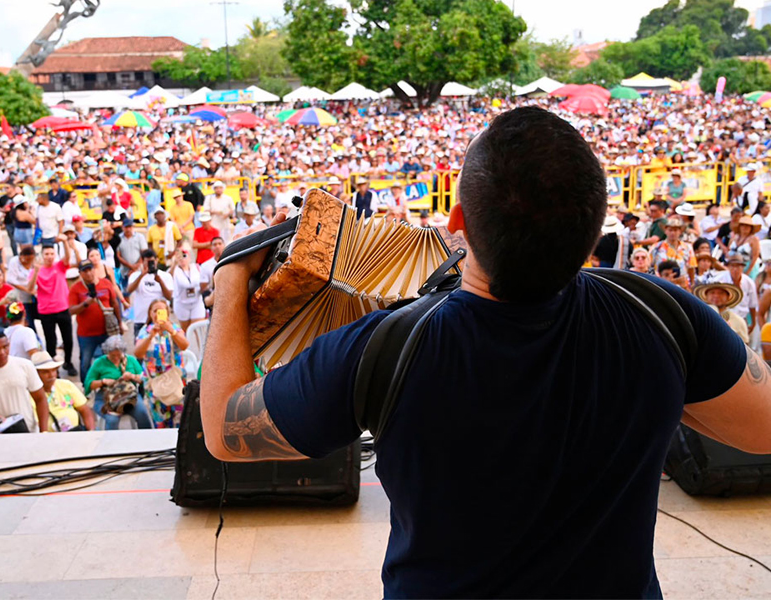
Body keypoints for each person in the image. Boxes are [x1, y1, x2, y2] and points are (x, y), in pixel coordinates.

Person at [202, 107, 771, 599]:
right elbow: (762, 430)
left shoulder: (385, 346)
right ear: (597, 229)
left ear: (458, 224)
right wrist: (659, 392)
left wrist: (231, 278)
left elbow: (225, 430)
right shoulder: (662, 315)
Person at [0, 331, 48, 433]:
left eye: (5, 346)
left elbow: (40, 399)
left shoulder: (25, 366)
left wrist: (43, 432)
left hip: (29, 433)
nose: (2, 352)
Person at [134, 298, 189, 428]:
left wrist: (171, 331)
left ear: (167, 313)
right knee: (159, 419)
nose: (158, 313)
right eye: (155, 311)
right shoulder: (145, 331)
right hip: (155, 382)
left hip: (175, 380)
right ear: (150, 313)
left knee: (178, 419)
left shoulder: (174, 329)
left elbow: (184, 345)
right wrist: (150, 336)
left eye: (162, 311)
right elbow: (138, 353)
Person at [27, 239, 77, 377]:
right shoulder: (37, 270)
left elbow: (67, 257)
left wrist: (65, 242)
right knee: (51, 341)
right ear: (42, 256)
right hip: (46, 311)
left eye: (51, 253)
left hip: (62, 307)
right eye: (46, 254)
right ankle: (52, 367)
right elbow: (30, 289)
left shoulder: (59, 266)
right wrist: (36, 272)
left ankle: (68, 362)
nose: (49, 256)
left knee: (68, 339)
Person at [69, 259, 121, 384]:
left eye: (90, 269)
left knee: (111, 358)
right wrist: (86, 303)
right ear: (80, 273)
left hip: (107, 331)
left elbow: (114, 304)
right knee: (85, 362)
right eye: (85, 271)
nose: (88, 273)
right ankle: (86, 386)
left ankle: (109, 383)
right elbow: (71, 310)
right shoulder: (76, 288)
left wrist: (119, 323)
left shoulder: (106, 283)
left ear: (94, 269)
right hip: (86, 334)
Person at [85, 335, 153, 430]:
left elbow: (143, 379)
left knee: (142, 413)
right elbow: (88, 384)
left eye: (119, 355)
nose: (116, 358)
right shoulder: (99, 362)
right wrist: (103, 381)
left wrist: (132, 376)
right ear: (107, 352)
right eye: (113, 356)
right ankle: (112, 443)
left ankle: (147, 440)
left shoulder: (131, 360)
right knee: (112, 420)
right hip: (106, 398)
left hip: (129, 397)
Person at [32, 351, 96, 432]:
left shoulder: (66, 385)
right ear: (36, 374)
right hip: (50, 438)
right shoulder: (31, 394)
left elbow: (85, 409)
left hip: (74, 432)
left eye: (53, 370)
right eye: (45, 372)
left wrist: (90, 431)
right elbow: (36, 424)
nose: (51, 375)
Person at [126, 249, 173, 337]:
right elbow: (129, 290)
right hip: (140, 319)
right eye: (147, 262)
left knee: (161, 346)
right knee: (140, 347)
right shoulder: (135, 275)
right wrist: (141, 275)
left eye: (152, 261)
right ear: (142, 261)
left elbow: (169, 296)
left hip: (160, 318)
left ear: (156, 260)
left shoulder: (165, 276)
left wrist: (160, 282)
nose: (150, 264)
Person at [716, 253, 760, 335]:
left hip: (742, 319)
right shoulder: (720, 280)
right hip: (724, 319)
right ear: (728, 267)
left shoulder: (749, 282)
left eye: (738, 266)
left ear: (743, 267)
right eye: (732, 266)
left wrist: (753, 323)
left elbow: (753, 305)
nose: (735, 269)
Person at [649, 216, 697, 285]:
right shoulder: (656, 247)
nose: (673, 233)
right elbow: (649, 265)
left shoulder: (687, 247)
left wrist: (692, 283)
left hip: (682, 284)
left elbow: (691, 267)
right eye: (670, 230)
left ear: (680, 232)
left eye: (675, 230)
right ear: (665, 231)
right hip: (661, 283)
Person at [169, 246, 205, 332]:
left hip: (196, 302)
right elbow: (169, 277)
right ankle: (188, 345)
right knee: (186, 330)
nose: (182, 259)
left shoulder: (197, 267)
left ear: (189, 257)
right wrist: (174, 263)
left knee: (197, 329)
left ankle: (198, 345)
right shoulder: (175, 270)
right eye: (180, 257)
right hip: (182, 304)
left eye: (184, 256)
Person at [6, 245, 38, 330]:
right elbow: (11, 280)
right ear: (22, 257)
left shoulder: (36, 263)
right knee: (28, 322)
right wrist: (27, 290)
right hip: (20, 296)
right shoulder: (14, 262)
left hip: (33, 295)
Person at [116, 217, 148, 284]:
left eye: (130, 227)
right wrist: (131, 266)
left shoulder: (140, 237)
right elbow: (118, 255)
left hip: (139, 270)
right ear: (122, 227)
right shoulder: (119, 238)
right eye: (126, 227)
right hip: (124, 271)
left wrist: (135, 268)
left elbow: (144, 253)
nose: (128, 229)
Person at [56, 224, 86, 288]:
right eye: (66, 234)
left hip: (78, 276)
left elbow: (82, 264)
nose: (69, 236)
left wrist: (75, 250)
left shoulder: (82, 245)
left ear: (75, 234)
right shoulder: (57, 246)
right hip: (63, 278)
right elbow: (58, 266)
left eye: (71, 233)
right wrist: (74, 265)